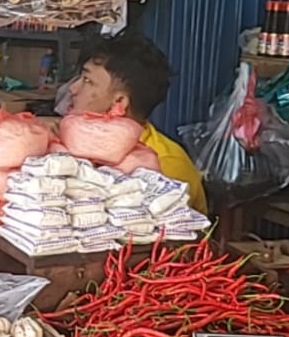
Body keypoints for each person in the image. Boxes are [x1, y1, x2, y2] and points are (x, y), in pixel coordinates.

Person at [64, 31, 208, 214]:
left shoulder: (164, 166)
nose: (72, 88)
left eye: (87, 80)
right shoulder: (76, 141)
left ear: (119, 102)